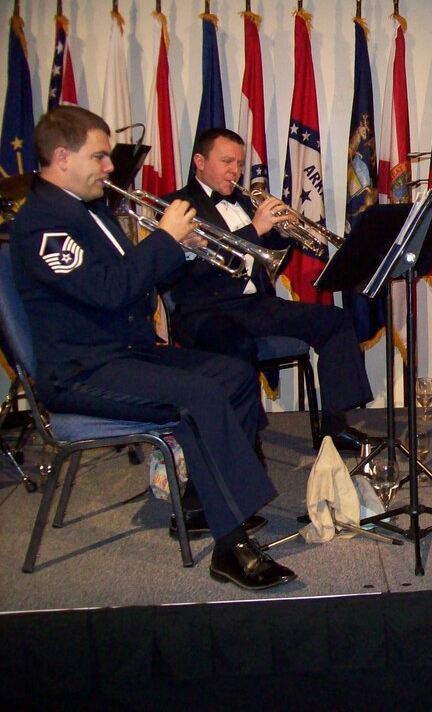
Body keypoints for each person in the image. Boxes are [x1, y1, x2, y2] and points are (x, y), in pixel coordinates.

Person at [11, 106, 294, 589]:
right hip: (80, 369)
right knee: (200, 396)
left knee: (234, 374)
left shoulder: (86, 208)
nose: (109, 166)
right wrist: (164, 239)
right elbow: (107, 290)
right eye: (99, 157)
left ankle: (204, 503)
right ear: (61, 157)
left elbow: (134, 280)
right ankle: (231, 547)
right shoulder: (43, 223)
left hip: (123, 350)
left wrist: (182, 247)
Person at [165, 128, 372, 450]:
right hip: (204, 310)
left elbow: (264, 257)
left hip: (254, 305)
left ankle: (336, 426)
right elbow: (200, 267)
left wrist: (281, 233)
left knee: (336, 321)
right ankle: (245, 440)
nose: (235, 170)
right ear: (200, 162)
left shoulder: (244, 203)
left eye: (239, 163)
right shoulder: (178, 207)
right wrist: (256, 228)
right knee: (238, 349)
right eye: (226, 161)